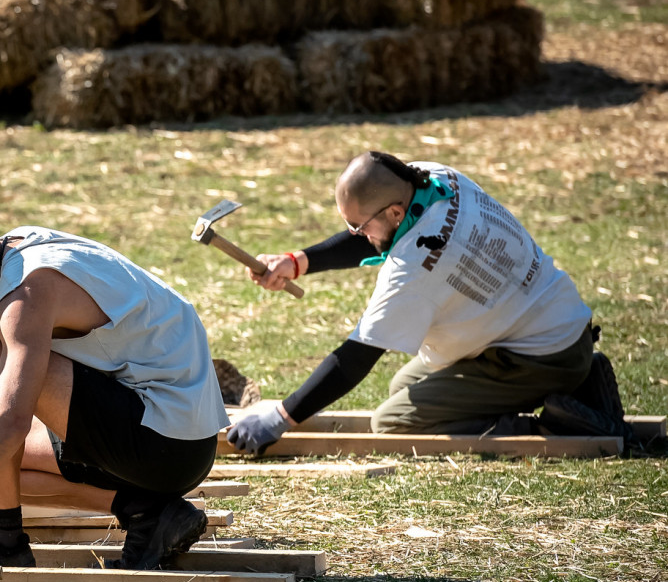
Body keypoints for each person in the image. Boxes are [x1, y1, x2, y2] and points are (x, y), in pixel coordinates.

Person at [0, 197, 230, 570]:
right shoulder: (19, 249)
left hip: (168, 445)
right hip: (168, 438)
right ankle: (148, 513)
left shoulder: (28, 293)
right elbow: (1, 373)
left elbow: (11, 418)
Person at [227, 151, 632, 454]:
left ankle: (563, 423)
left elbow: (356, 357)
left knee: (393, 422)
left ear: (396, 211)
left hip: (540, 356)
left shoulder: (415, 269)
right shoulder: (435, 177)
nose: (355, 234)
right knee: (402, 384)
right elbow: (380, 234)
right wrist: (297, 262)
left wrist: (282, 417)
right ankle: (582, 379)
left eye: (359, 226)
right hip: (551, 321)